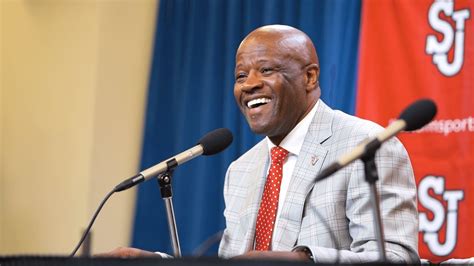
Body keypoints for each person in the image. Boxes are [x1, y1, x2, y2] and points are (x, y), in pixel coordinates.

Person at [102, 25, 419, 263]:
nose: (250, 84)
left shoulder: (366, 147)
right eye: (241, 76)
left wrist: (301, 260)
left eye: (266, 70)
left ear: (310, 77)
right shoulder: (242, 169)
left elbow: (396, 257)